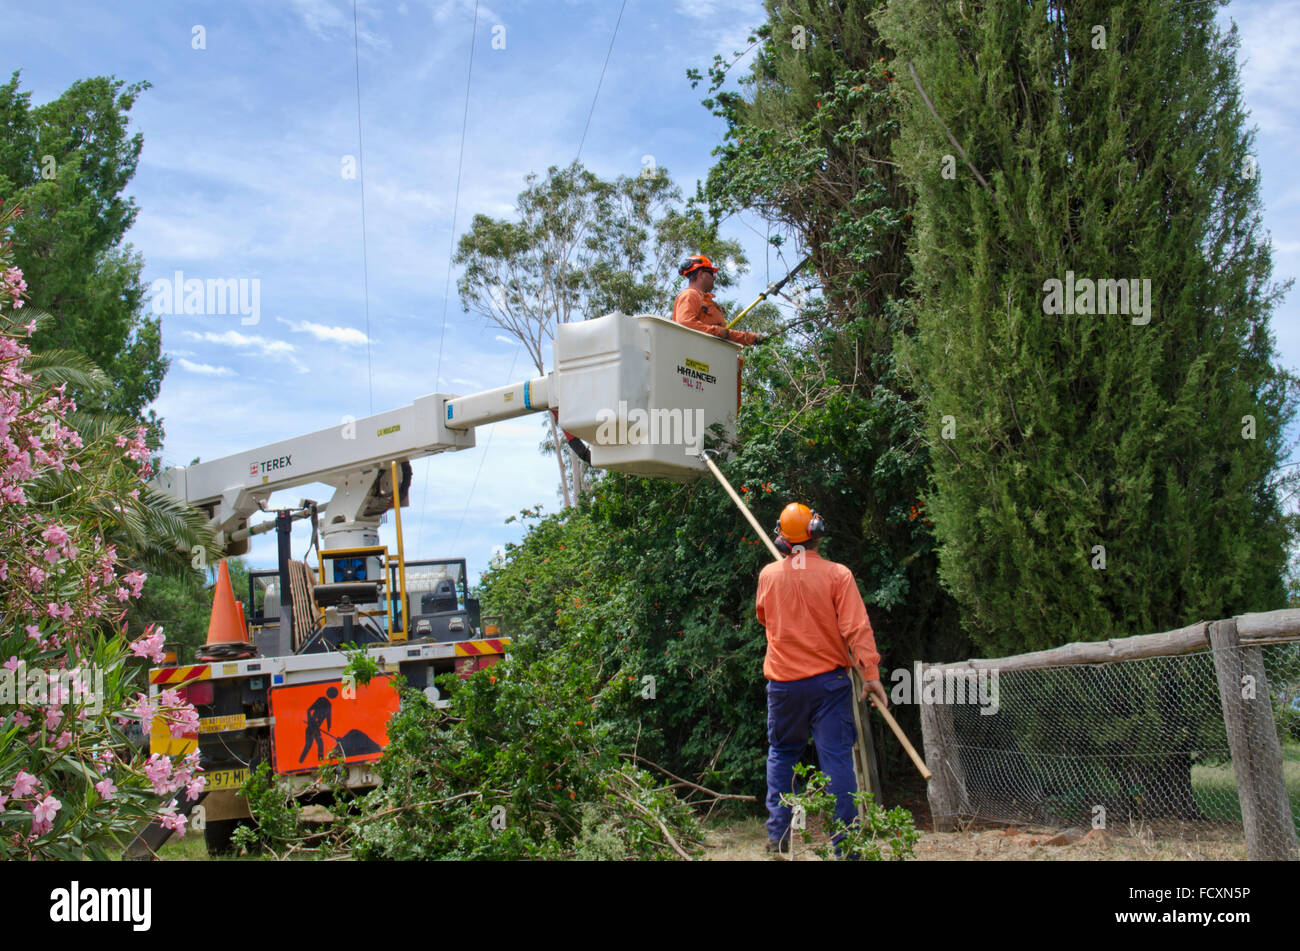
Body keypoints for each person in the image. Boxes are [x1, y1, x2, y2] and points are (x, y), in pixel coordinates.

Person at [755, 502, 888, 856]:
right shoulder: (838, 576)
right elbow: (857, 630)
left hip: (784, 686)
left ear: (784, 540)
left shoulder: (768, 576)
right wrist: (871, 676)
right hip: (829, 685)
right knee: (838, 761)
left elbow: (765, 619)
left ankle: (778, 839)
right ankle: (847, 847)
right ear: (817, 534)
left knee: (782, 754)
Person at [672, 254, 765, 346]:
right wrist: (719, 332)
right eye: (711, 273)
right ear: (701, 274)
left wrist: (751, 338)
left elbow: (725, 336)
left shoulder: (707, 301)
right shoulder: (690, 295)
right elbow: (686, 324)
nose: (714, 278)